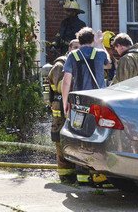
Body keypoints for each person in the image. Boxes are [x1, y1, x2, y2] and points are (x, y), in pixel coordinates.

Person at [61, 27, 109, 186]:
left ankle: (82, 176)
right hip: (98, 102)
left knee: (79, 136)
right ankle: (99, 176)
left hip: (78, 103)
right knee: (98, 136)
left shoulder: (73, 55)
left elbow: (66, 81)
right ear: (92, 39)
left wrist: (65, 102)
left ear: (79, 40)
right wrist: (100, 43)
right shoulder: (100, 54)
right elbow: (109, 65)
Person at [48, 39, 79, 183]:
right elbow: (60, 86)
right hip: (60, 108)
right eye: (75, 47)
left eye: (80, 47)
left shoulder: (80, 62)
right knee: (60, 139)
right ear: (69, 48)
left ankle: (76, 172)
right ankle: (65, 175)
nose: (78, 50)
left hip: (74, 106)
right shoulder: (60, 64)